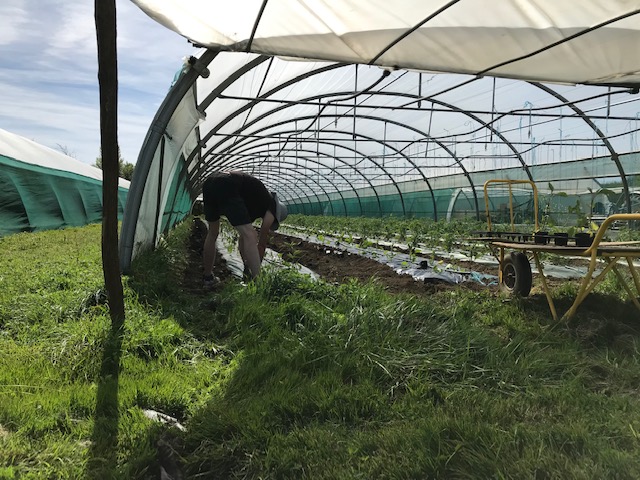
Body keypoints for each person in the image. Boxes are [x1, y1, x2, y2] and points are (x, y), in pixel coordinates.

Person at [201, 171, 288, 286]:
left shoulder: (255, 204)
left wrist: (246, 263)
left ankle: (208, 277)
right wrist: (256, 265)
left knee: (213, 232)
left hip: (210, 182)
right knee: (251, 235)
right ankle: (258, 283)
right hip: (227, 184)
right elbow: (261, 243)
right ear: (276, 213)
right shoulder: (271, 206)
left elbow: (242, 239)